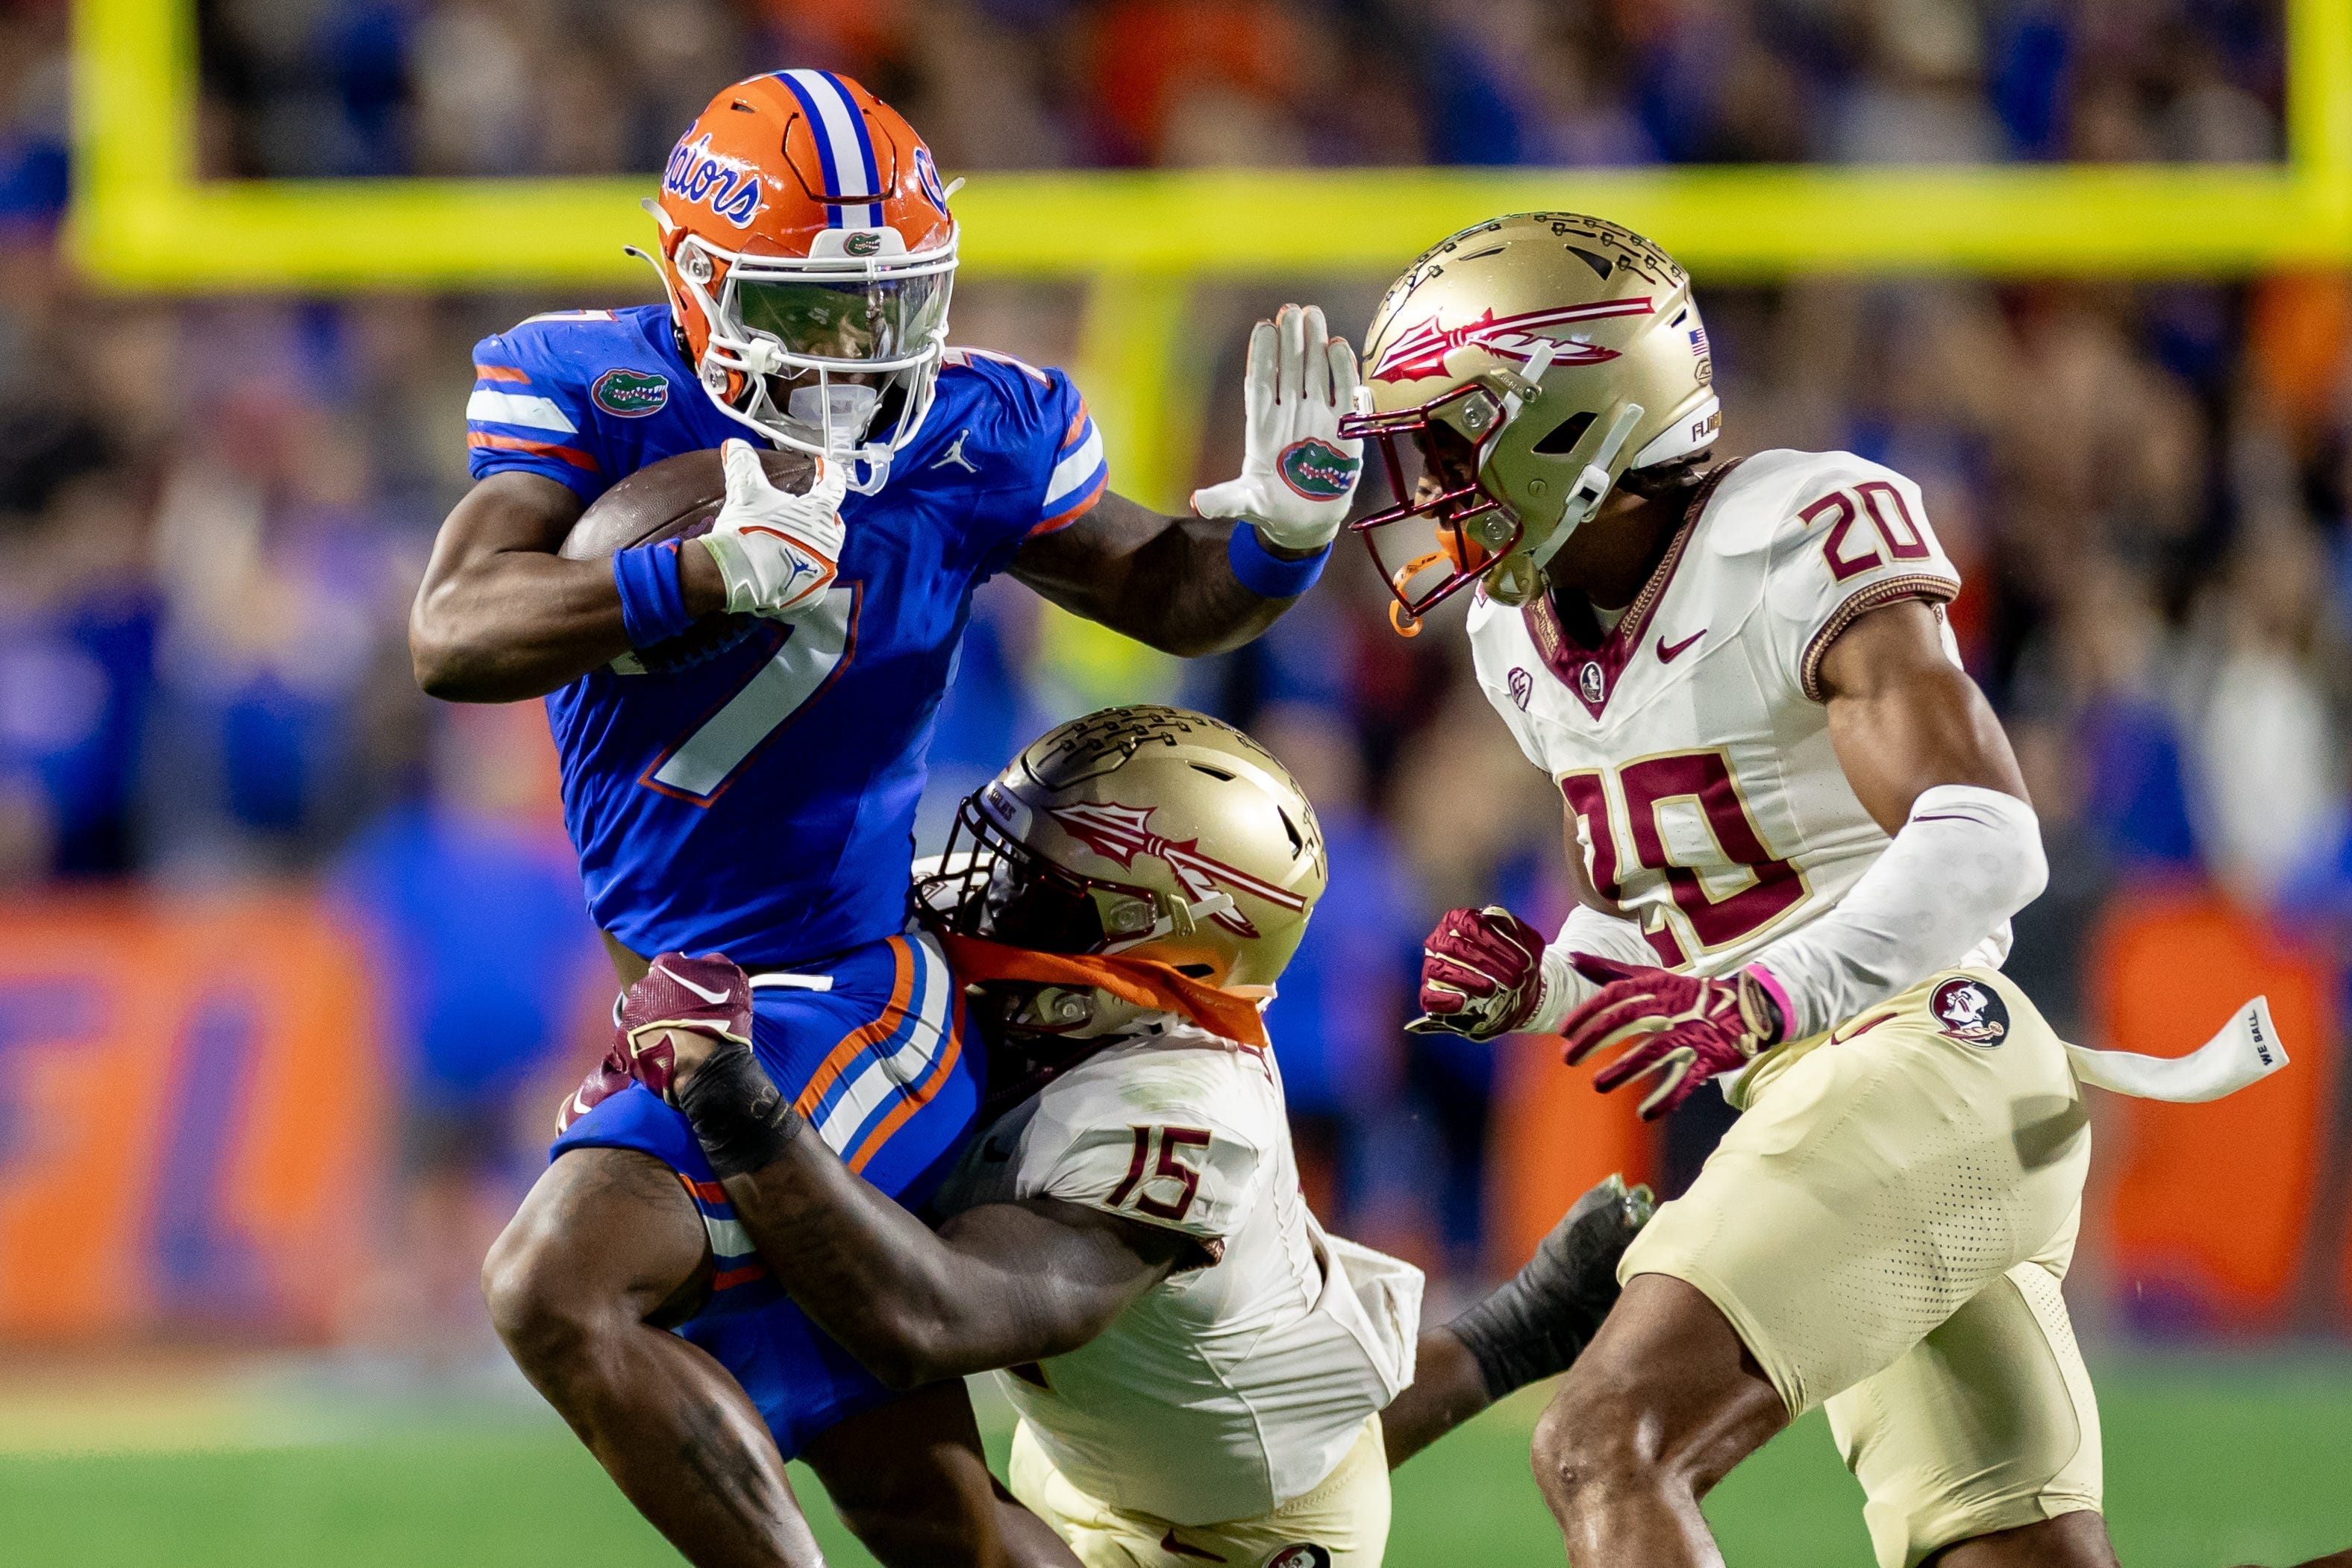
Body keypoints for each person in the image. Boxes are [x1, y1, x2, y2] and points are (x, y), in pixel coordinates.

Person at [416, 69, 1366, 1568]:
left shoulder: (979, 428)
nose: (856, 351)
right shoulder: (592, 388)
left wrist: (1279, 539)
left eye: (888, 303)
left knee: (557, 1285)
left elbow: (1166, 593)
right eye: (811, 308)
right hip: (695, 982)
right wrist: (694, 574)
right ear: (693, 279)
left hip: (842, 983)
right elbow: (454, 630)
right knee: (930, 1517)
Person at [1345, 210, 2151, 1568]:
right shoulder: (1517, 637)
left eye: (1451, 439)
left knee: (1606, 1440)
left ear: (1570, 421)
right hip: (1831, 1096)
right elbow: (1712, 934)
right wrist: (1549, 981)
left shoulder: (1791, 532)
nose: (1426, 484)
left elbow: (1987, 837)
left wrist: (1767, 997)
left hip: (1930, 1058)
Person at [593, 704, 1654, 1568]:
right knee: (1199, 1405)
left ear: (1168, 956)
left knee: (1260, 1443)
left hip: (1247, 1528)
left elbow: (930, 1318)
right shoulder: (1093, 1000)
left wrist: (734, 1103)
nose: (978, 896)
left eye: (1035, 893)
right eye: (1003, 854)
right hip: (1107, 1432)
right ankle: (1511, 1335)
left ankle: (1506, 1339)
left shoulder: (1179, 1112)